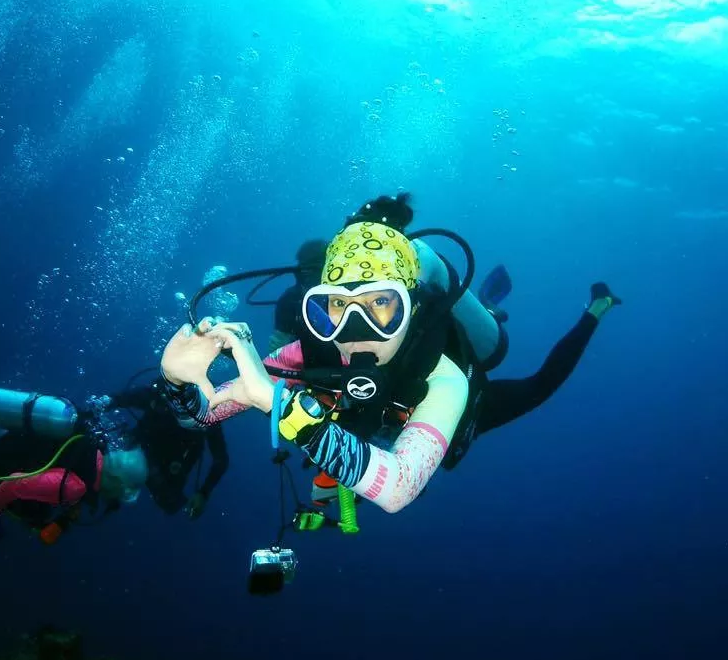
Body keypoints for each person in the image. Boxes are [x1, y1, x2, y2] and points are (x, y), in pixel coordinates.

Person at [157, 192, 620, 515]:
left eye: (381, 304)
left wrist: (279, 404)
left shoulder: (443, 375)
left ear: (412, 307)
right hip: (367, 428)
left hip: (465, 407)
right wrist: (178, 381)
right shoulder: (307, 354)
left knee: (541, 385)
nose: (355, 330)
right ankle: (483, 308)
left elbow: (398, 488)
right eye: (335, 306)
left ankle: (593, 309)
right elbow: (200, 417)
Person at [0, 386, 149, 545]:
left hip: (2, 435)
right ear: (117, 480)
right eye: (121, 493)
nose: (116, 499)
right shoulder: (74, 486)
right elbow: (14, 484)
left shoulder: (92, 445)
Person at [107, 374, 230, 520]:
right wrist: (103, 405)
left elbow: (221, 460)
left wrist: (203, 493)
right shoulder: (159, 394)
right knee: (113, 466)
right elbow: (120, 399)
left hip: (174, 463)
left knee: (169, 502)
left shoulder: (207, 413)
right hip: (144, 448)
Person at [267, 238, 329, 353]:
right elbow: (279, 344)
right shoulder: (289, 300)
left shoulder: (289, 299)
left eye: (314, 270)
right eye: (306, 271)